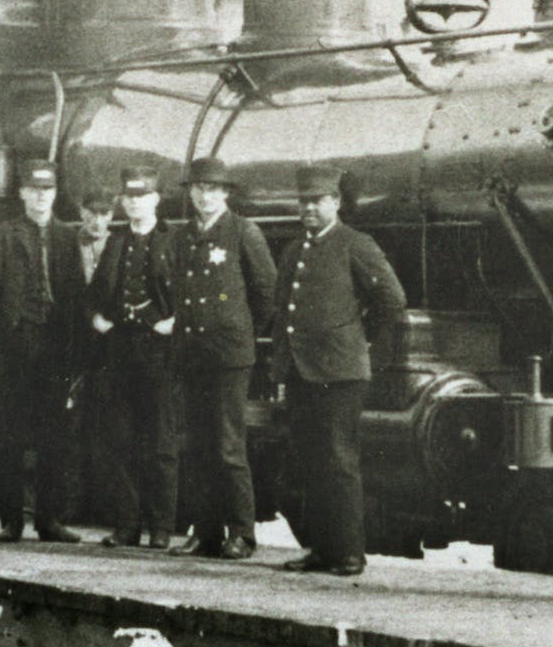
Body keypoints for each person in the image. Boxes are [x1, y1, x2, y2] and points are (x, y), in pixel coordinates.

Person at [272, 166, 405, 577]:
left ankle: (348, 552)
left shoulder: (355, 244)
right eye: (304, 201)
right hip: (302, 371)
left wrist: (362, 344)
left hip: (340, 374)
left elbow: (392, 300)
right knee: (310, 460)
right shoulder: (296, 250)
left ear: (336, 202)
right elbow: (284, 314)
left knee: (339, 459)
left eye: (318, 200)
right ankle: (321, 548)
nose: (309, 208)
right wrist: (281, 370)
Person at [169, 157, 276, 561]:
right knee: (197, 445)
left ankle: (243, 534)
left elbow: (266, 292)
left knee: (230, 445)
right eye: (198, 188)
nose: (204, 195)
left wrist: (240, 332)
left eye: (213, 189)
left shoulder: (243, 232)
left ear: (226, 193)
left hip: (229, 356)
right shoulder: (184, 238)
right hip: (192, 353)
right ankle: (206, 531)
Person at [0, 160, 83, 544]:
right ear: (23, 193)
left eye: (48, 190)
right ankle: (11, 520)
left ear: (55, 194)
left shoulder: (67, 237)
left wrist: (76, 346)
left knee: (54, 435)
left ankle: (49, 520)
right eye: (34, 190)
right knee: (12, 434)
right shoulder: (6, 234)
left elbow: (74, 295)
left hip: (54, 343)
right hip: (17, 342)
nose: (41, 197)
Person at [85, 166, 178, 549]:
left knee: (159, 441)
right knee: (119, 439)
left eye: (143, 197)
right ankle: (127, 525)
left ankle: (160, 528)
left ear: (156, 200)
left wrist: (174, 321)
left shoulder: (174, 240)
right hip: (119, 350)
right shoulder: (116, 242)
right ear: (122, 202)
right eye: (130, 197)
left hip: (158, 352)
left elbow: (194, 290)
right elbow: (94, 292)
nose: (135, 203)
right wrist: (97, 318)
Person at [65, 187, 118, 523]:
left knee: (106, 423)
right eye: (91, 213)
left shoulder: (119, 245)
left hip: (108, 344)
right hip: (74, 341)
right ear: (81, 211)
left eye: (104, 214)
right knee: (72, 424)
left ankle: (104, 502)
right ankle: (72, 503)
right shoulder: (68, 244)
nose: (97, 221)